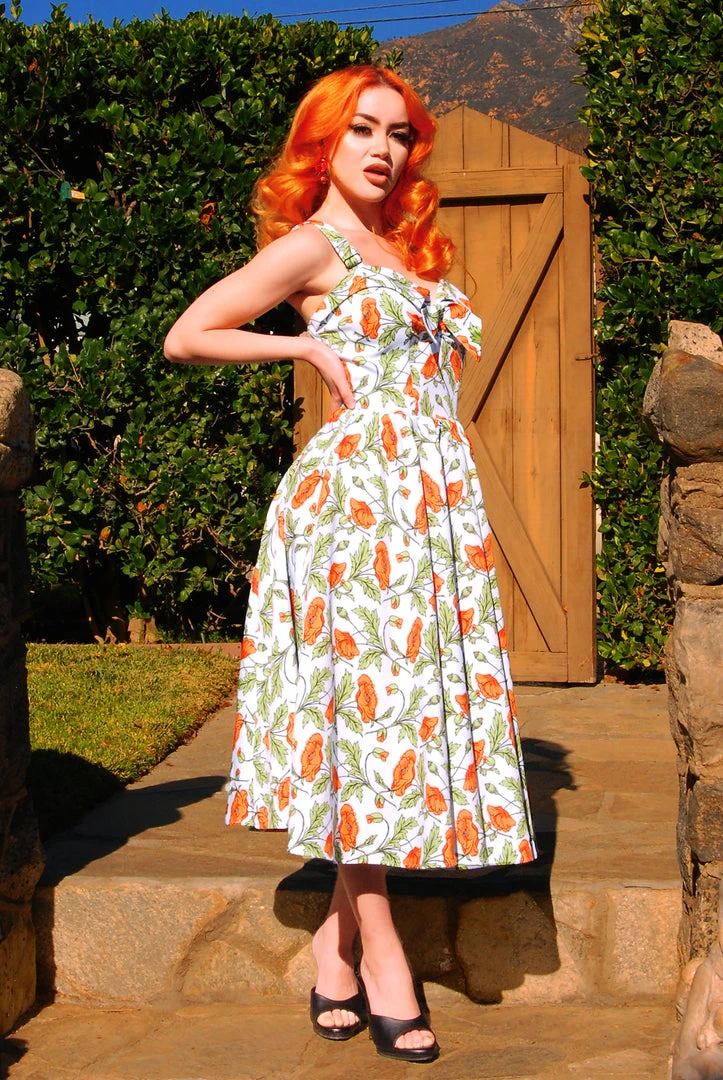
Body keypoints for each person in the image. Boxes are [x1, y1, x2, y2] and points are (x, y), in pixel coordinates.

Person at [164, 63, 536, 1065]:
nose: (383, 149)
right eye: (362, 130)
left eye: (398, 133)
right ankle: (384, 960)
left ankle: (332, 952)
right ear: (322, 143)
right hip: (353, 511)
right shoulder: (312, 246)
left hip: (430, 507)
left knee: (392, 724)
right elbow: (188, 334)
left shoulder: (402, 250)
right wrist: (300, 351)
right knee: (368, 727)